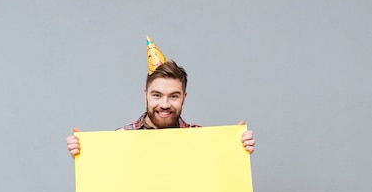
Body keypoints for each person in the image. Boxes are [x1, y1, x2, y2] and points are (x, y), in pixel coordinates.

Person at [66, 38, 255, 157]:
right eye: (157, 95)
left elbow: (220, 181)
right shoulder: (119, 140)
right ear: (145, 95)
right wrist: (84, 152)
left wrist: (237, 147)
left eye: (173, 96)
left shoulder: (202, 139)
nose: (164, 104)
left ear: (184, 98)